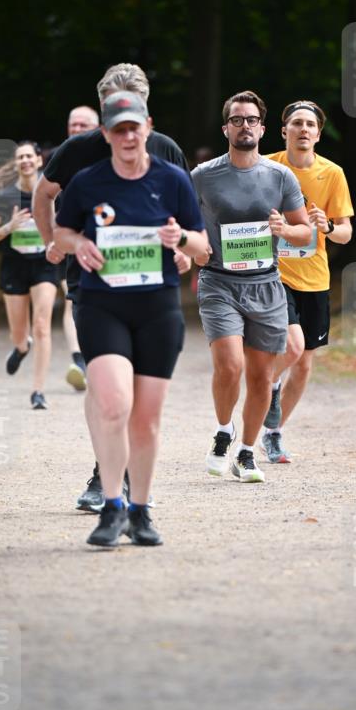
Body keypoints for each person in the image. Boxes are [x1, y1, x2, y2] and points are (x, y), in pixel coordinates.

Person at [33, 63, 192, 513]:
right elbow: (43, 195)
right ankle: (104, 475)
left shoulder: (165, 150)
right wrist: (55, 242)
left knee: (141, 393)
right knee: (106, 390)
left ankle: (132, 479)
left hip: (151, 286)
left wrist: (183, 251)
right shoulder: (77, 151)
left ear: (147, 109)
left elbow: (187, 217)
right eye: (112, 110)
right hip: (93, 284)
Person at [53, 90, 208, 547]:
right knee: (114, 404)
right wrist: (78, 245)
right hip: (103, 305)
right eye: (117, 129)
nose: (126, 136)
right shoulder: (88, 181)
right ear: (106, 133)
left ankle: (140, 510)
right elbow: (62, 230)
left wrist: (180, 239)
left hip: (157, 308)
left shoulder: (173, 179)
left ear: (147, 127)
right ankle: (112, 505)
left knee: (145, 418)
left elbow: (202, 246)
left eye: (133, 127)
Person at [192, 90, 311, 483]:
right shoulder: (203, 176)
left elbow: (304, 231)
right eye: (237, 120)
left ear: (262, 128)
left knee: (260, 377)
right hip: (219, 282)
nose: (245, 126)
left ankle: (246, 451)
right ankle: (223, 431)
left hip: (265, 284)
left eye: (252, 120)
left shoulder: (280, 176)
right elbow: (187, 224)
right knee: (230, 364)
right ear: (226, 127)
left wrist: (284, 229)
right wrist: (192, 250)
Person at [261, 100, 354, 463]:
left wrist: (327, 226)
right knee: (292, 346)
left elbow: (345, 232)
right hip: (273, 273)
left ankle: (272, 433)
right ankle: (266, 387)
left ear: (317, 133)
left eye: (309, 125)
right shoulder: (266, 167)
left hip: (314, 277)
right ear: (283, 130)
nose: (303, 129)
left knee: (304, 363)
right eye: (296, 123)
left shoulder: (332, 174)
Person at [0, 141, 58, 410]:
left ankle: (38, 391)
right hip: (14, 267)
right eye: (20, 157)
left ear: (39, 161)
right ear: (16, 164)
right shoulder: (6, 197)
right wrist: (9, 227)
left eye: (29, 156)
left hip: (44, 265)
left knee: (41, 325)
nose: (25, 160)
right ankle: (21, 347)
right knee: (19, 332)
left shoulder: (50, 194)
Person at [60, 105, 101, 393]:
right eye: (72, 125)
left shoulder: (110, 158)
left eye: (83, 125)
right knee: (72, 301)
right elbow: (46, 200)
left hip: (113, 258)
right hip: (70, 249)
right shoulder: (60, 161)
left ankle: (89, 362)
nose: (76, 129)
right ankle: (82, 360)